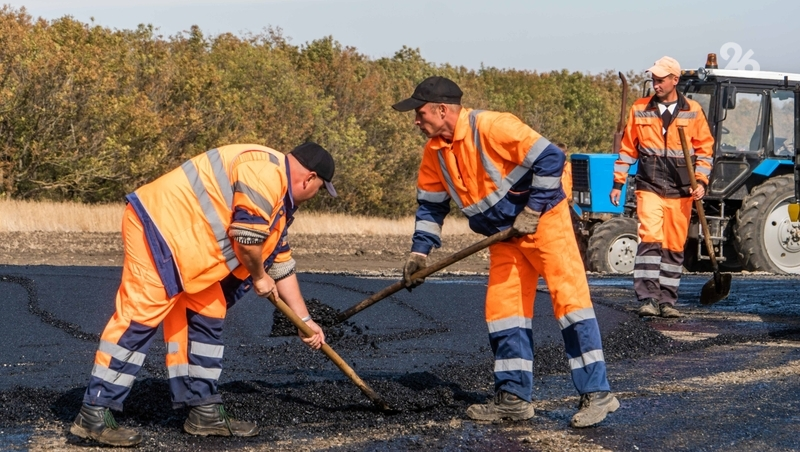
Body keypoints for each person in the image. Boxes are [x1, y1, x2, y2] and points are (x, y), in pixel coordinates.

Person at [70, 142, 336, 447]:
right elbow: (247, 239)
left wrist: (304, 320)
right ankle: (94, 412)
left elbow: (280, 261)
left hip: (194, 250)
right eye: (319, 189)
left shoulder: (278, 199)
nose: (314, 196)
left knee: (207, 315)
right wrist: (259, 278)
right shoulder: (265, 173)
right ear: (309, 178)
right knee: (140, 316)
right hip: (159, 228)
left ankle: (203, 410)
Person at [393, 76, 618, 428]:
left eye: (420, 113)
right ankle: (513, 398)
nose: (416, 121)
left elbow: (551, 157)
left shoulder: (492, 126)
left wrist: (532, 210)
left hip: (545, 224)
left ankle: (597, 393)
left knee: (570, 304)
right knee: (504, 312)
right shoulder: (435, 153)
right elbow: (430, 206)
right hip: (502, 236)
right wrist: (419, 253)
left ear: (442, 110)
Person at [609, 56, 714, 318]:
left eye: (660, 80)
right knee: (650, 239)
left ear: (674, 80)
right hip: (650, 186)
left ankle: (667, 301)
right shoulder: (640, 108)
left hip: (682, 190)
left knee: (673, 246)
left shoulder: (693, 110)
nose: (655, 84)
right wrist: (618, 183)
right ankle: (648, 298)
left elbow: (705, 151)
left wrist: (701, 182)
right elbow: (627, 150)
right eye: (653, 79)